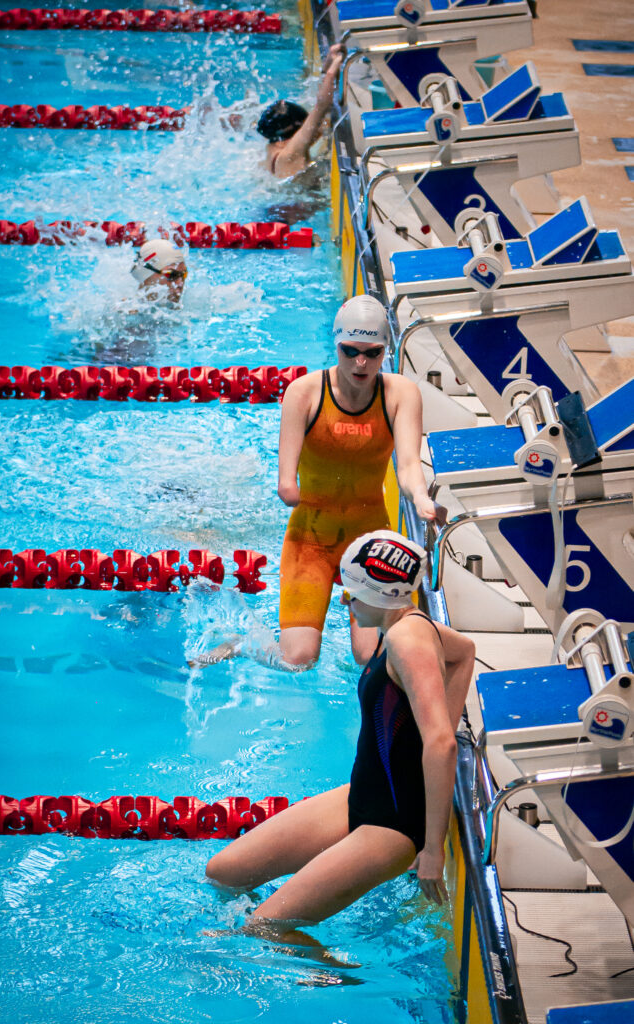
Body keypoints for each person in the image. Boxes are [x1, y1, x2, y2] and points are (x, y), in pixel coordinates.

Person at [205, 529, 475, 926]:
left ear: (378, 595)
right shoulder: (406, 625)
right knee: (224, 874)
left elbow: (442, 743)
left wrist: (432, 849)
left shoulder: (408, 643)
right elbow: (464, 653)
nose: (344, 601)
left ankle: (340, 971)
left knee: (263, 928)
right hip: (363, 796)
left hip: (394, 825)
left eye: (350, 593)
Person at [276, 294, 437, 668]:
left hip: (370, 541)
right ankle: (242, 644)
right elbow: (286, 472)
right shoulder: (304, 392)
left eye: (372, 352)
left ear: (386, 351)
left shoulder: (400, 394)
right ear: (336, 344)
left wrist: (420, 497)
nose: (360, 362)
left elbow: (409, 464)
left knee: (372, 656)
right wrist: (288, 486)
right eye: (350, 351)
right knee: (297, 659)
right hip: (311, 537)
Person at [257, 43, 345, 180]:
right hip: (302, 201)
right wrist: (334, 66)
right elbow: (321, 106)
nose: (316, 130)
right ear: (296, 130)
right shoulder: (291, 153)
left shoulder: (273, 148)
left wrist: (329, 61)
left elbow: (321, 107)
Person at [130, 238, 188, 303]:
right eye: (172, 275)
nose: (180, 284)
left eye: (184, 274)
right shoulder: (126, 310)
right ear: (146, 277)